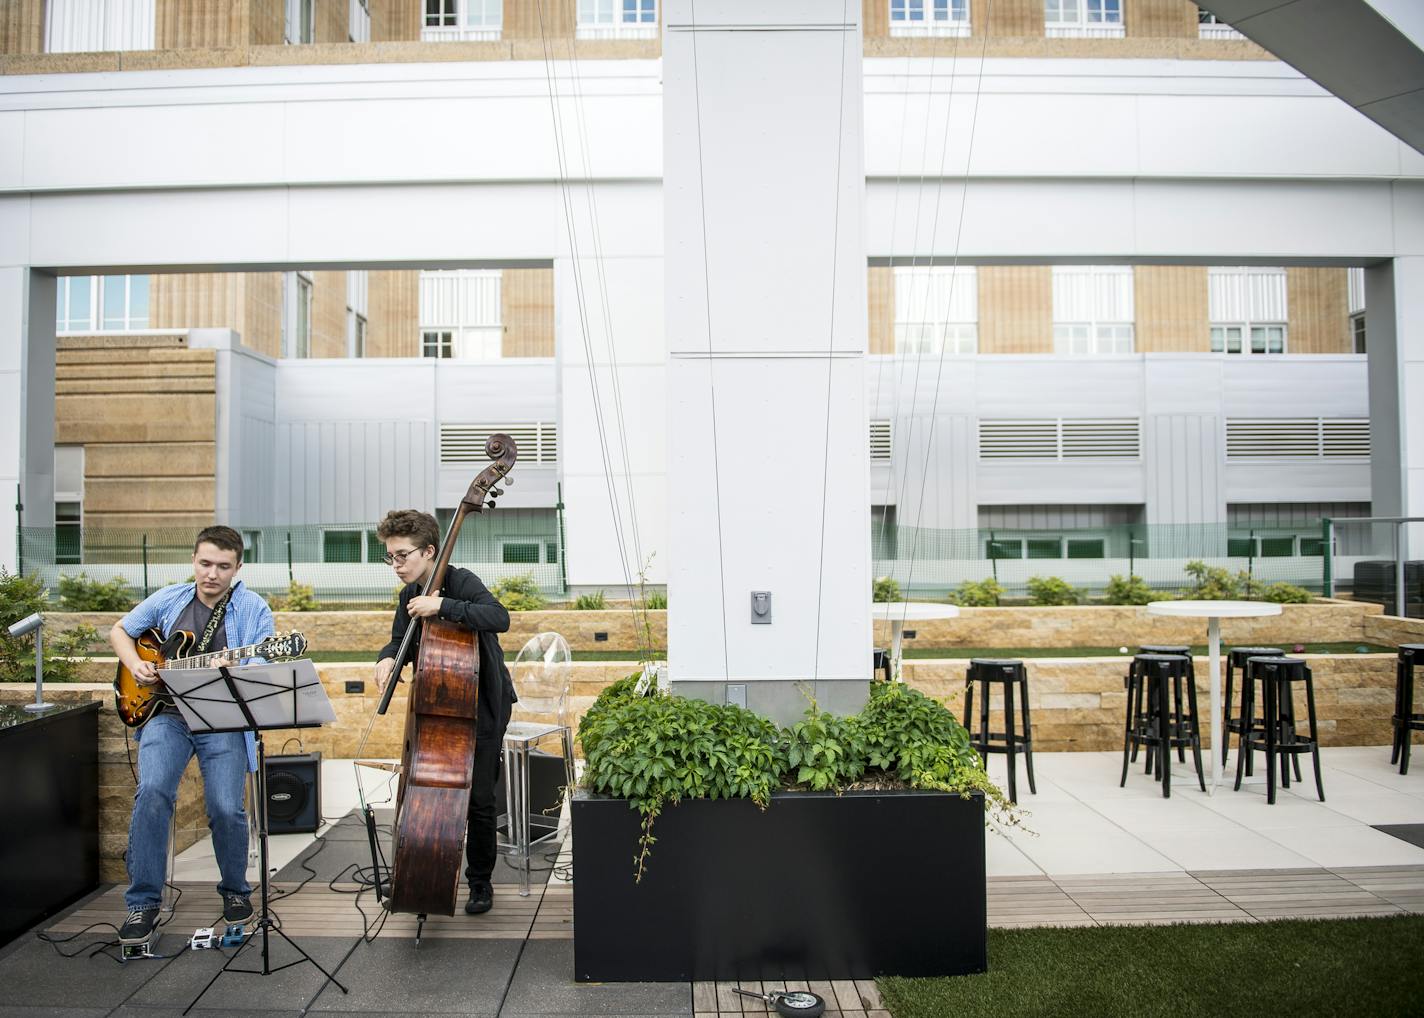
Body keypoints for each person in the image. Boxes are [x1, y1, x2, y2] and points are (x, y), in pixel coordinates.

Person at [109, 525, 273, 945]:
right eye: (205, 563)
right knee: (153, 792)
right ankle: (142, 903)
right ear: (194, 561)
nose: (212, 574)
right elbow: (121, 631)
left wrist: (231, 671)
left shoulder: (254, 609)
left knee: (224, 806)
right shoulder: (171, 597)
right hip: (165, 714)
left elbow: (261, 668)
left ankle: (236, 892)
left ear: (238, 567)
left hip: (221, 717)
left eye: (222, 566)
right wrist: (137, 664)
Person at [374, 508, 515, 915]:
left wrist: (445, 607)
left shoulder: (460, 581)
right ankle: (424, 867)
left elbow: (498, 617)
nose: (396, 565)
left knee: (480, 800)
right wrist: (388, 659)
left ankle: (480, 882)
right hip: (439, 706)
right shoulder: (407, 596)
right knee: (428, 793)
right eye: (391, 557)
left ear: (430, 550)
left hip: (484, 703)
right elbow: (400, 639)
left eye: (402, 555)